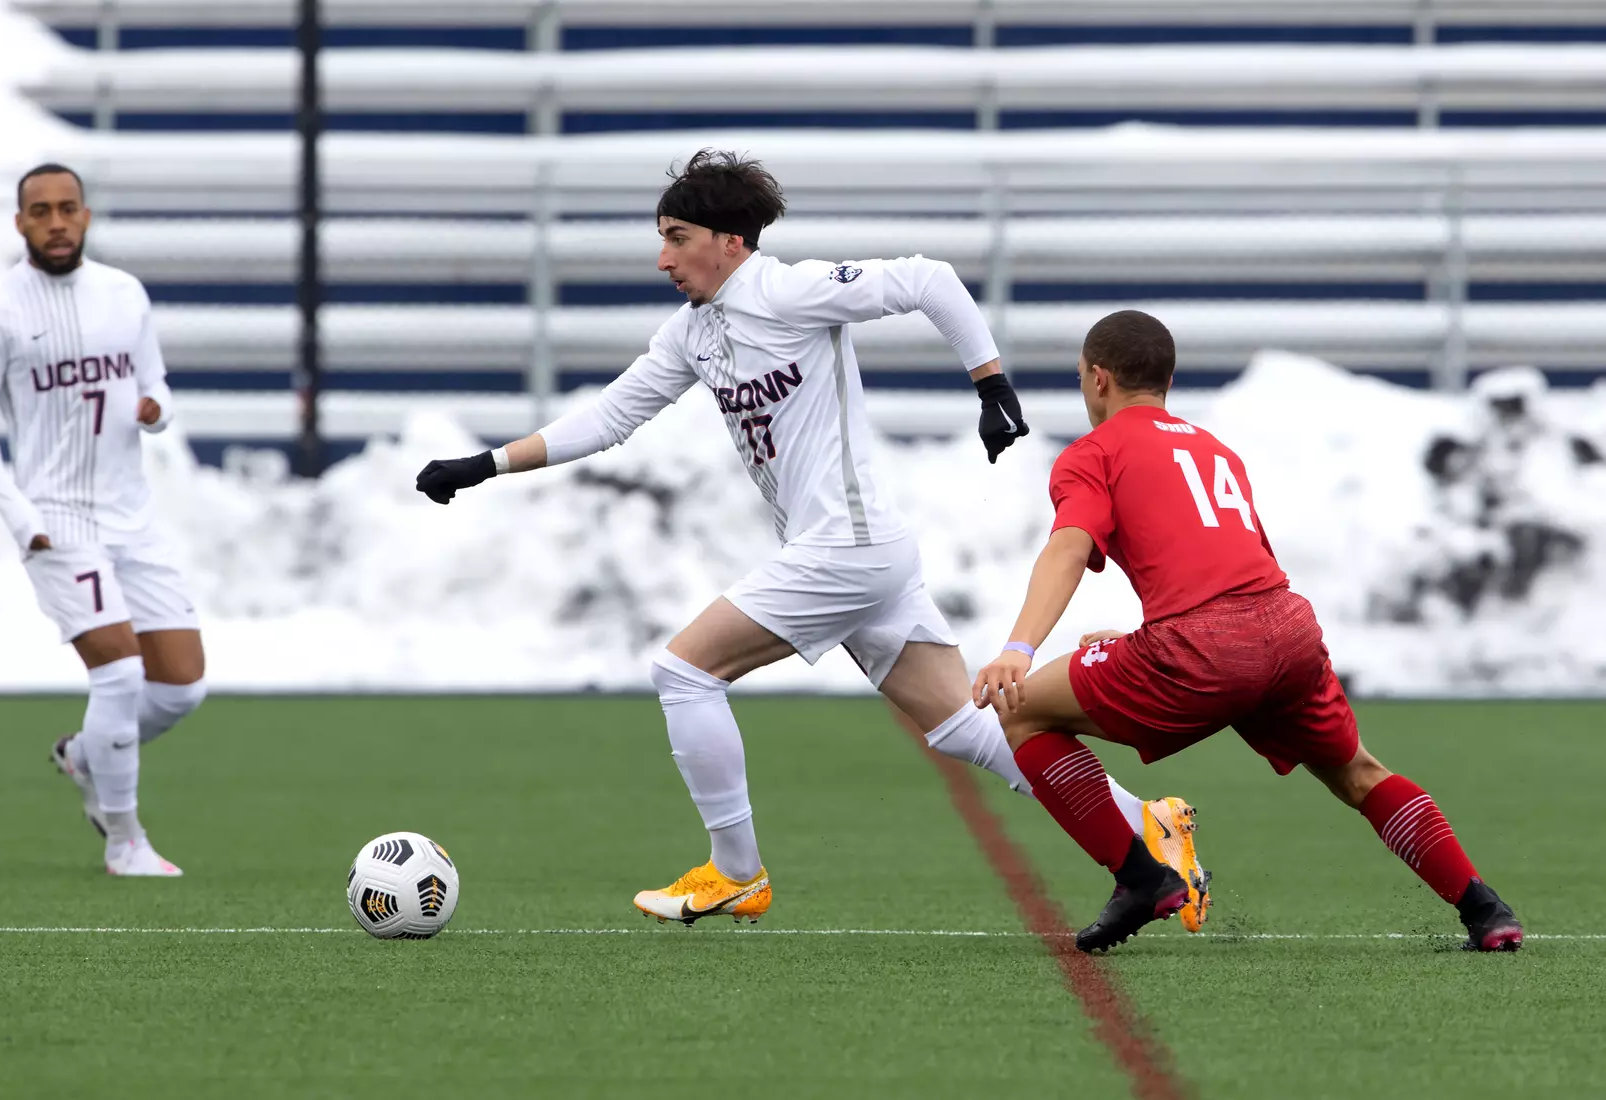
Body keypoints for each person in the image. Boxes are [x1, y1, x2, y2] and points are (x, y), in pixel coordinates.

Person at [417, 150, 1209, 927]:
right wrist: (486, 464)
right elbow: (611, 417)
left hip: (847, 551)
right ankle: (1150, 823)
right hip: (855, 554)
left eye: (678, 237)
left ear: (731, 242)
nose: (663, 259)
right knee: (964, 726)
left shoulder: (789, 291)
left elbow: (930, 280)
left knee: (683, 672)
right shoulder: (694, 333)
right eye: (660, 239)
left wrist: (990, 384)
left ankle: (735, 873)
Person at [973, 308, 1521, 953]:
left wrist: (1018, 648)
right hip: (1286, 629)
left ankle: (1142, 878)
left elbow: (1069, 547)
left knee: (1023, 716)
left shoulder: (1090, 454)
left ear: (1097, 379)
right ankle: (1486, 909)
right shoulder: (1214, 449)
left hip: (1204, 647)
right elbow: (1228, 565)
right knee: (1357, 774)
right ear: (1166, 380)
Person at [0, 163, 207, 876]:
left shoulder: (123, 293)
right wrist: (14, 510)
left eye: (68, 208)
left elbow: (154, 381)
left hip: (133, 517)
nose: (57, 221)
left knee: (182, 687)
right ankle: (125, 840)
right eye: (41, 211)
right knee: (121, 676)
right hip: (55, 518)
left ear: (87, 217)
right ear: (20, 223)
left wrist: (157, 411)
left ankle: (82, 755)